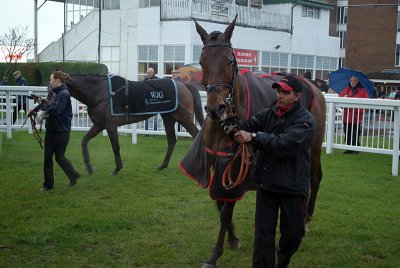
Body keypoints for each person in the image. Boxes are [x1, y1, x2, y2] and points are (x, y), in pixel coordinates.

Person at [222, 75, 315, 268]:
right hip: (267, 183)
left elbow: (284, 145)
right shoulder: (268, 113)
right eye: (278, 91)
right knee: (263, 236)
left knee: (293, 235)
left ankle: (282, 261)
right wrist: (229, 120)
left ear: (297, 96)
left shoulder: (306, 120)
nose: (279, 95)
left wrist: (253, 137)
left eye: (285, 92)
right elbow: (247, 126)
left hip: (293, 187)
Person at [35, 71, 80, 191]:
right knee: (47, 157)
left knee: (59, 157)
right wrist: (42, 103)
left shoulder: (64, 94)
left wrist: (42, 105)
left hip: (61, 132)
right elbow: (51, 107)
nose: (50, 82)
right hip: (51, 130)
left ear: (57, 81)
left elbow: (56, 110)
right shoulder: (56, 94)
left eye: (51, 79)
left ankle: (73, 175)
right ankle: (48, 185)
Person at [339, 76, 369, 154]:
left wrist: (356, 108)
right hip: (347, 115)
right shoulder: (346, 89)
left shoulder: (362, 91)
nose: (352, 82)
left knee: (355, 132)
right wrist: (343, 98)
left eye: (354, 80)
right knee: (347, 132)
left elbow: (365, 104)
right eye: (351, 80)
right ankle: (348, 148)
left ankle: (355, 149)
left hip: (356, 116)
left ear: (357, 81)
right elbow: (339, 98)